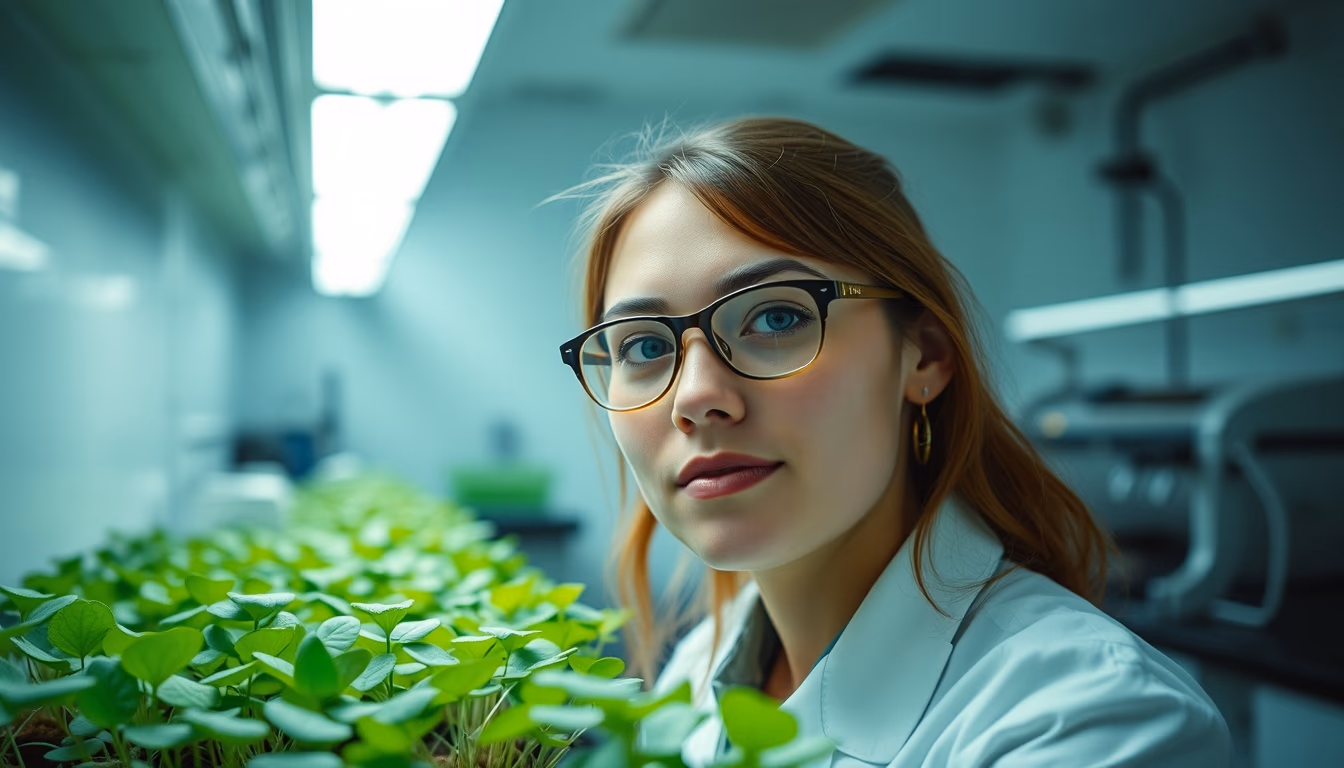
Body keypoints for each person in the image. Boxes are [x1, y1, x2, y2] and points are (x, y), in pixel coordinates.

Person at [553, 117, 1231, 767]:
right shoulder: (700, 670)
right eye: (643, 347)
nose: (696, 397)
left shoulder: (1091, 721)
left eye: (776, 316)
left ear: (924, 355)